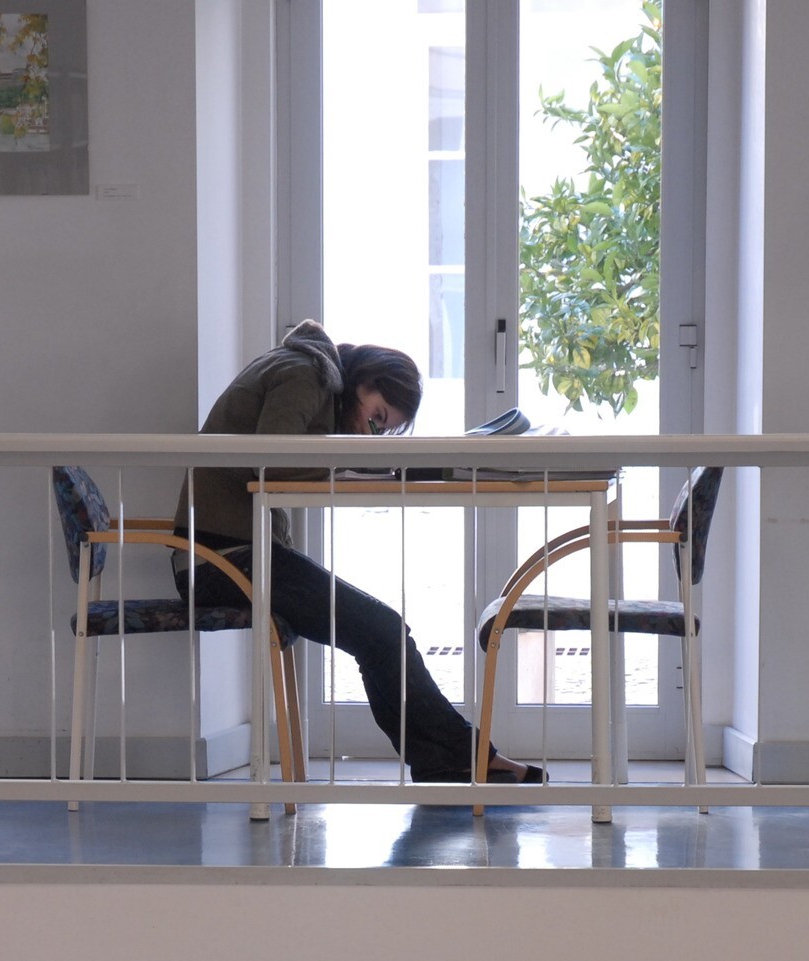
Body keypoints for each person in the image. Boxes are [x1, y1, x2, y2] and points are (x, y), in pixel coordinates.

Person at [177, 320, 541, 784]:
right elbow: (273, 461)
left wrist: (356, 463)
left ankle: (452, 758)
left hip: (234, 552)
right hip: (218, 560)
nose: (372, 432)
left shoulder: (311, 377)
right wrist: (355, 465)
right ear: (363, 382)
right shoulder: (303, 373)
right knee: (381, 630)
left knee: (382, 630)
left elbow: (283, 459)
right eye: (378, 417)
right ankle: (462, 757)